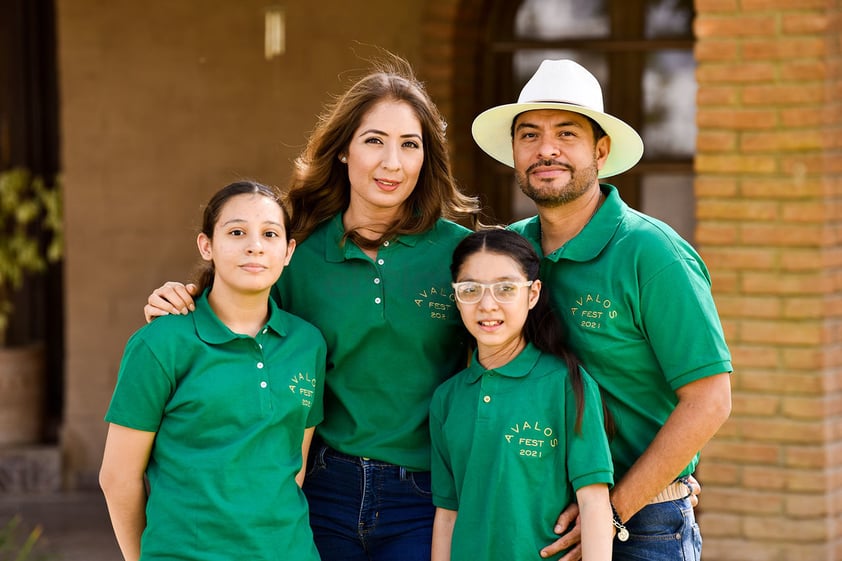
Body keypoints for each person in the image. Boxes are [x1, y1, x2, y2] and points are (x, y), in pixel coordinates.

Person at [142, 54, 481, 561]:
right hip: (319, 488)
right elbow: (232, 323)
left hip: (429, 494)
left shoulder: (463, 255)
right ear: (343, 150)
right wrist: (177, 305)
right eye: (374, 141)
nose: (392, 162)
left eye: (410, 145)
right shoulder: (294, 249)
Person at [471, 58, 733, 561]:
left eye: (566, 133)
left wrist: (614, 511)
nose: (546, 148)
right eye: (529, 135)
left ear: (601, 150)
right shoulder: (508, 254)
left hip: (642, 523)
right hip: (537, 511)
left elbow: (710, 399)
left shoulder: (651, 253)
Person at [99, 181, 326, 561]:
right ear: (207, 246)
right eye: (236, 232)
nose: (254, 245)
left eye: (269, 234)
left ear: (288, 252)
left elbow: (293, 468)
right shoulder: (160, 344)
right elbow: (117, 478)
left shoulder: (307, 344)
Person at [429, 228, 614, 561]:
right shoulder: (447, 398)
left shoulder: (566, 384)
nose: (487, 305)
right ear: (456, 296)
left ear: (532, 294)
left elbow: (593, 501)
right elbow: (447, 514)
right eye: (470, 289)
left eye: (505, 288)